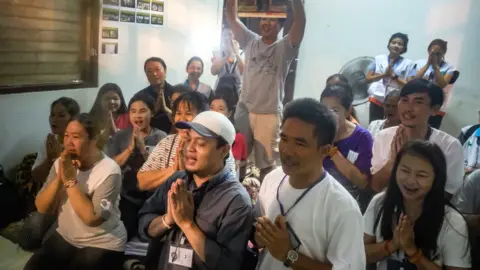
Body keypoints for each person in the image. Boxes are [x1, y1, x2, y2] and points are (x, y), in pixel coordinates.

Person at [254, 98, 365, 270]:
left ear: (325, 150)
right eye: (284, 139)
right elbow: (259, 234)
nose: (287, 151)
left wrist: (289, 255)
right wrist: (261, 237)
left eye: (300, 143)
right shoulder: (271, 180)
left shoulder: (342, 208)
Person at [137, 111, 253, 270]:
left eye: (201, 143)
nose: (190, 148)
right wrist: (167, 220)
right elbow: (144, 224)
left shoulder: (236, 200)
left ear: (224, 150)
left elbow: (228, 264)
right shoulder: (176, 180)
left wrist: (187, 224)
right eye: (189, 139)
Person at [25, 113, 127, 270]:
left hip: (103, 241)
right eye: (66, 136)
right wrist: (60, 176)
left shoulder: (109, 170)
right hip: (67, 236)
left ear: (93, 140)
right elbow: (42, 207)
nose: (69, 142)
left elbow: (92, 219)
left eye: (76, 137)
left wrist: (70, 180)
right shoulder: (61, 162)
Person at [226, 0, 306, 181]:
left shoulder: (284, 47)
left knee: (267, 165)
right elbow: (232, 16)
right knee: (239, 158)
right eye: (263, 19)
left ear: (279, 25)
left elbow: (300, 22)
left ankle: (264, 200)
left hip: (268, 114)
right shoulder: (250, 40)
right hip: (244, 109)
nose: (266, 23)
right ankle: (237, 194)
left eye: (271, 20)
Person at [364, 141, 471, 270]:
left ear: (436, 179)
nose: (410, 181)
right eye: (404, 170)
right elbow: (358, 253)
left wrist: (413, 252)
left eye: (421, 175)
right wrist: (392, 245)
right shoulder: (379, 203)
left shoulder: (452, 222)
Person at [370, 79, 464, 199]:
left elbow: (446, 194)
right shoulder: (383, 137)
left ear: (434, 110)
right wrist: (393, 161)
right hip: (388, 206)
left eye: (418, 102)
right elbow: (376, 186)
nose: (408, 108)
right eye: (404, 100)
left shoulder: (450, 146)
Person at [137, 91, 236, 191]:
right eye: (178, 113)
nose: (182, 119)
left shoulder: (217, 147)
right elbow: (141, 181)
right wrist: (173, 171)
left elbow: (229, 184)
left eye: (188, 113)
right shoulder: (167, 143)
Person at [106, 93, 167, 239]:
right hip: (125, 196)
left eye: (142, 111)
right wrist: (129, 149)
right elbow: (109, 167)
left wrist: (142, 149)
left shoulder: (162, 137)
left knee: (149, 234)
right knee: (123, 232)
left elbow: (163, 172)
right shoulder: (120, 137)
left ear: (151, 113)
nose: (137, 116)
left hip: (152, 198)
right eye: (133, 111)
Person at [320, 84, 374, 211]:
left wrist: (333, 152)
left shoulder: (362, 137)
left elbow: (363, 183)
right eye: (324, 109)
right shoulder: (316, 131)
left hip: (347, 203)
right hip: (318, 196)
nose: (328, 115)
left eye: (335, 110)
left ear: (349, 111)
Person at [409, 39, 458, 129]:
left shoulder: (450, 68)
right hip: (417, 103)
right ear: (428, 51)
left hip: (437, 106)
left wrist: (435, 66)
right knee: (413, 128)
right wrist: (428, 64)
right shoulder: (419, 63)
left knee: (430, 132)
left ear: (444, 54)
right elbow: (413, 81)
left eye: (438, 53)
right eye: (433, 53)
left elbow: (442, 84)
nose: (435, 56)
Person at [32, 97, 80, 184]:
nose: (54, 119)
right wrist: (49, 159)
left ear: (73, 119)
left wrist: (59, 158)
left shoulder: (80, 142)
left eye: (61, 115)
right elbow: (36, 177)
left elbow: (76, 179)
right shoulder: (50, 141)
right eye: (52, 115)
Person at [366, 33, 412, 123]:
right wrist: (384, 74)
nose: (396, 45)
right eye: (393, 42)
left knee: (392, 125)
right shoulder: (378, 59)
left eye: (400, 44)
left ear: (404, 48)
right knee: (374, 124)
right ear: (389, 44)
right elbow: (368, 78)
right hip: (376, 99)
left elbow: (409, 85)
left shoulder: (409, 64)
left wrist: (394, 77)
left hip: (395, 102)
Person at [210, 91, 247, 180]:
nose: (215, 112)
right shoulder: (203, 133)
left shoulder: (237, 137)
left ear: (229, 113)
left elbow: (234, 166)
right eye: (212, 108)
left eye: (220, 109)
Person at [136, 57, 175, 133]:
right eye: (149, 71)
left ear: (165, 70)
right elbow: (135, 120)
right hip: (148, 137)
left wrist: (166, 109)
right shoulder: (139, 97)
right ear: (146, 74)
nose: (154, 74)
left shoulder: (176, 93)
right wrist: (154, 110)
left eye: (157, 69)